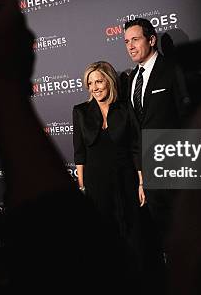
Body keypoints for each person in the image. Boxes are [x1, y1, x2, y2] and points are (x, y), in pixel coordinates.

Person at [72, 61, 145, 266]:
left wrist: (141, 182)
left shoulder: (125, 109)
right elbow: (79, 154)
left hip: (126, 180)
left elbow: (136, 147)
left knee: (132, 232)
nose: (94, 87)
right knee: (103, 235)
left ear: (109, 81)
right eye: (90, 83)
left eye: (99, 81)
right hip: (96, 184)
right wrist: (82, 186)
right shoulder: (80, 112)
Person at [123, 17, 183, 267]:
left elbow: (188, 119)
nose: (130, 46)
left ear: (151, 39)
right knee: (165, 238)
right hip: (151, 175)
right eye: (126, 42)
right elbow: (136, 132)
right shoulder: (131, 79)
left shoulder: (173, 70)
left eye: (135, 39)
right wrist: (141, 177)